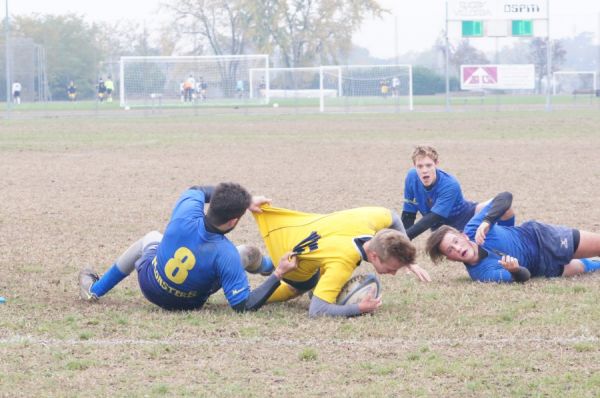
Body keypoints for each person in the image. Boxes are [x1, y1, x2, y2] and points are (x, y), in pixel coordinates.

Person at [78, 183, 298, 312]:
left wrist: (246, 200)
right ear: (233, 221)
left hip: (151, 285)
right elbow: (242, 305)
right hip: (190, 303)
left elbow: (197, 189)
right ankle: (274, 267)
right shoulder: (226, 253)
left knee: (152, 237)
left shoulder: (186, 212)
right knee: (249, 253)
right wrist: (278, 274)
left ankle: (94, 291)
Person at [240, 204, 431, 318]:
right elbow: (316, 310)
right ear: (374, 256)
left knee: (320, 268)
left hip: (288, 226)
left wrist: (409, 260)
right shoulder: (343, 261)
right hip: (288, 254)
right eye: (391, 268)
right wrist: (359, 308)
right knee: (304, 285)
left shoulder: (369, 220)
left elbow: (394, 217)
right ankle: (257, 266)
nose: (393, 273)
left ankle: (257, 261)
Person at [425, 191, 600, 283]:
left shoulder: (474, 227)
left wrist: (487, 221)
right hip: (542, 267)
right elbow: (525, 276)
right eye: (450, 250)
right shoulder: (481, 273)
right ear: (449, 258)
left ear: (463, 235)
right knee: (586, 267)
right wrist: (515, 270)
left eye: (455, 242)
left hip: (541, 238)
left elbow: (505, 197)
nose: (457, 248)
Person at [402, 145, 515, 240]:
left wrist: (404, 237)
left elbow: (433, 217)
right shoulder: (411, 177)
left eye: (428, 165)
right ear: (414, 166)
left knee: (506, 208)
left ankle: (510, 238)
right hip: (443, 231)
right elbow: (408, 214)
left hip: (467, 216)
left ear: (436, 163)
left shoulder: (450, 184)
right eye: (420, 166)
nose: (424, 170)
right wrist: (402, 240)